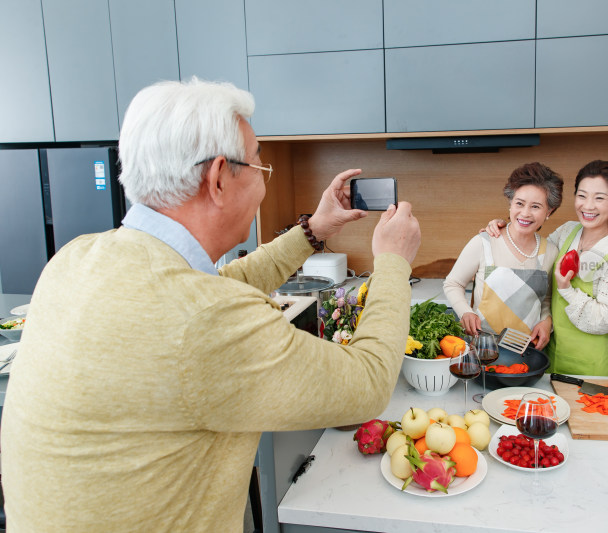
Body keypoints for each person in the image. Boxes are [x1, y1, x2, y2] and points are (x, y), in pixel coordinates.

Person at [0, 78, 421, 532]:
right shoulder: (205, 321)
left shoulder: (78, 256)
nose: (264, 181)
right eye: (260, 165)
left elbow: (212, 287)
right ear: (219, 177)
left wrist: (312, 231)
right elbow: (369, 383)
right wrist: (394, 262)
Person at [485, 160, 608, 376]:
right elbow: (534, 254)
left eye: (599, 198)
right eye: (582, 196)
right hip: (549, 352)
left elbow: (606, 321)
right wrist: (507, 228)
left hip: (589, 363)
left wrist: (567, 291)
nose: (588, 206)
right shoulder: (568, 231)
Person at [443, 162, 562, 349]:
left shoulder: (551, 251)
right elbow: (453, 283)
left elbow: (545, 298)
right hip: (482, 348)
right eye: (519, 203)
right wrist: (466, 312)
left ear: (549, 211)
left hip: (527, 351)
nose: (525, 213)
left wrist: (547, 320)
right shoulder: (484, 242)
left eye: (536, 207)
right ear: (510, 203)